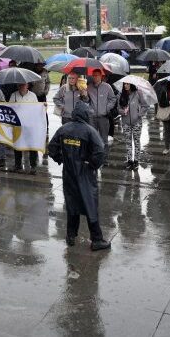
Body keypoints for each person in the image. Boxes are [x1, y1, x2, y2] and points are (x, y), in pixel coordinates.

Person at [47, 102, 110, 251]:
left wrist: (61, 159)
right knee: (90, 205)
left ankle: (70, 235)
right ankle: (97, 239)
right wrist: (92, 165)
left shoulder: (63, 129)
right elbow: (100, 152)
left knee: (72, 204)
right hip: (85, 174)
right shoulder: (90, 131)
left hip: (69, 174)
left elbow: (52, 148)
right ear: (85, 115)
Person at [10, 82, 39, 174]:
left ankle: (33, 166)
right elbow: (9, 109)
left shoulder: (33, 95)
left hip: (30, 125)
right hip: (17, 124)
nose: (22, 86)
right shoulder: (13, 95)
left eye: (24, 84)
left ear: (27, 85)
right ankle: (18, 165)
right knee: (17, 145)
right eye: (20, 84)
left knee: (32, 145)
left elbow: (37, 109)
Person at [118, 82, 149, 169]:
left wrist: (139, 114)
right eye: (124, 84)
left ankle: (136, 160)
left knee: (136, 141)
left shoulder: (138, 93)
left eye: (128, 84)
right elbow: (118, 109)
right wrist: (123, 112)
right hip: (125, 123)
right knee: (128, 142)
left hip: (137, 123)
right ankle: (129, 160)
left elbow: (145, 105)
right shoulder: (121, 95)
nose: (126, 86)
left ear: (132, 84)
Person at [86, 69, 116, 146]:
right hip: (92, 117)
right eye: (94, 75)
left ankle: (104, 156)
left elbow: (113, 99)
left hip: (104, 117)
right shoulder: (88, 87)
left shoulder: (107, 87)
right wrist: (84, 94)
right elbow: (86, 100)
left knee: (104, 140)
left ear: (101, 76)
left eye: (97, 75)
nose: (95, 77)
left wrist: (106, 109)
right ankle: (93, 156)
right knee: (93, 138)